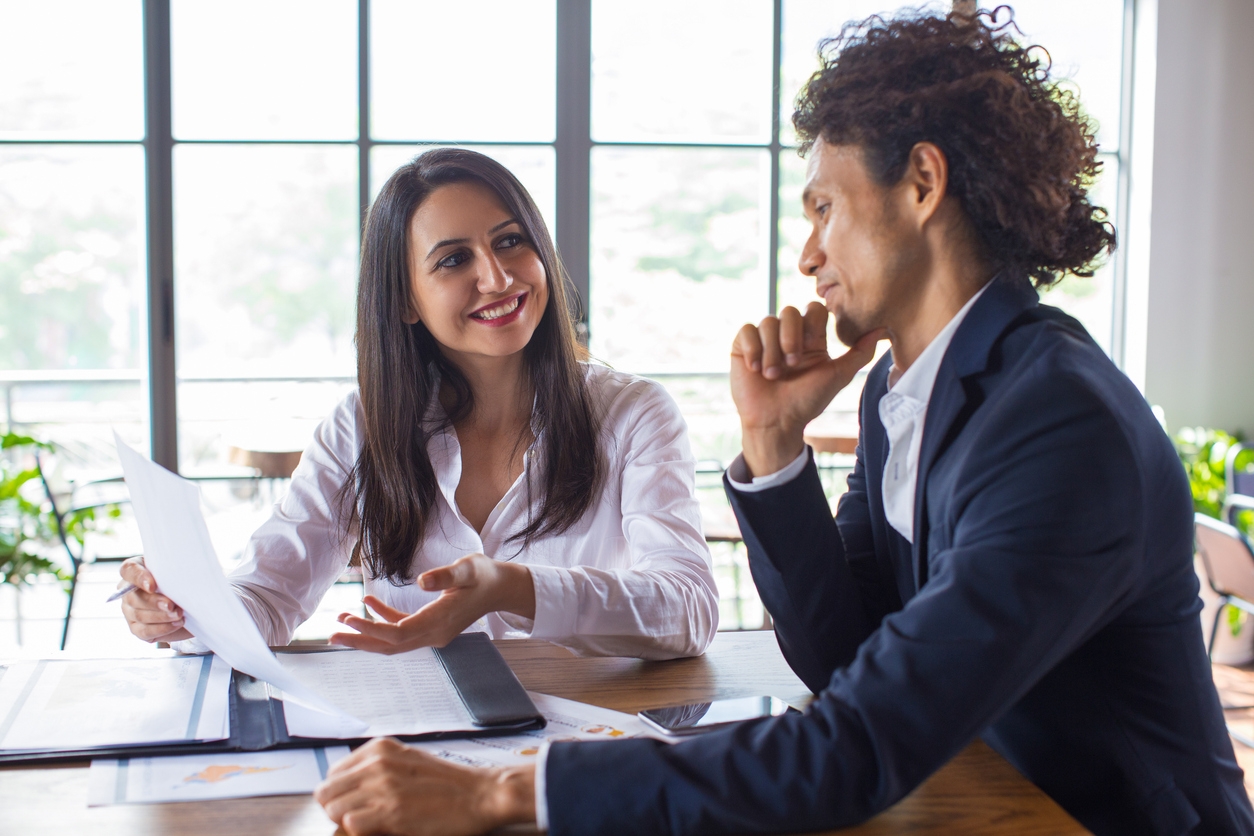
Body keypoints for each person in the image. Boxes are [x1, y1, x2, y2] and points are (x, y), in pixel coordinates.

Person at [310, 9, 1254, 836]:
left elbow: (855, 748)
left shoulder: (1057, 425)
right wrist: (774, 449)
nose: (807, 255)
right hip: (976, 796)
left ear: (922, 184)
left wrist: (504, 793)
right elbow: (845, 660)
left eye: (824, 207)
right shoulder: (909, 397)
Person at [117, 148, 719, 661]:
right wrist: (182, 611)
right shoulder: (362, 426)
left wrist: (512, 588)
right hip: (419, 750)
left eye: (511, 242)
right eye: (454, 259)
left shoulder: (634, 415)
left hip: (589, 748)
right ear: (406, 301)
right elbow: (269, 595)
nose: (498, 277)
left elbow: (688, 610)